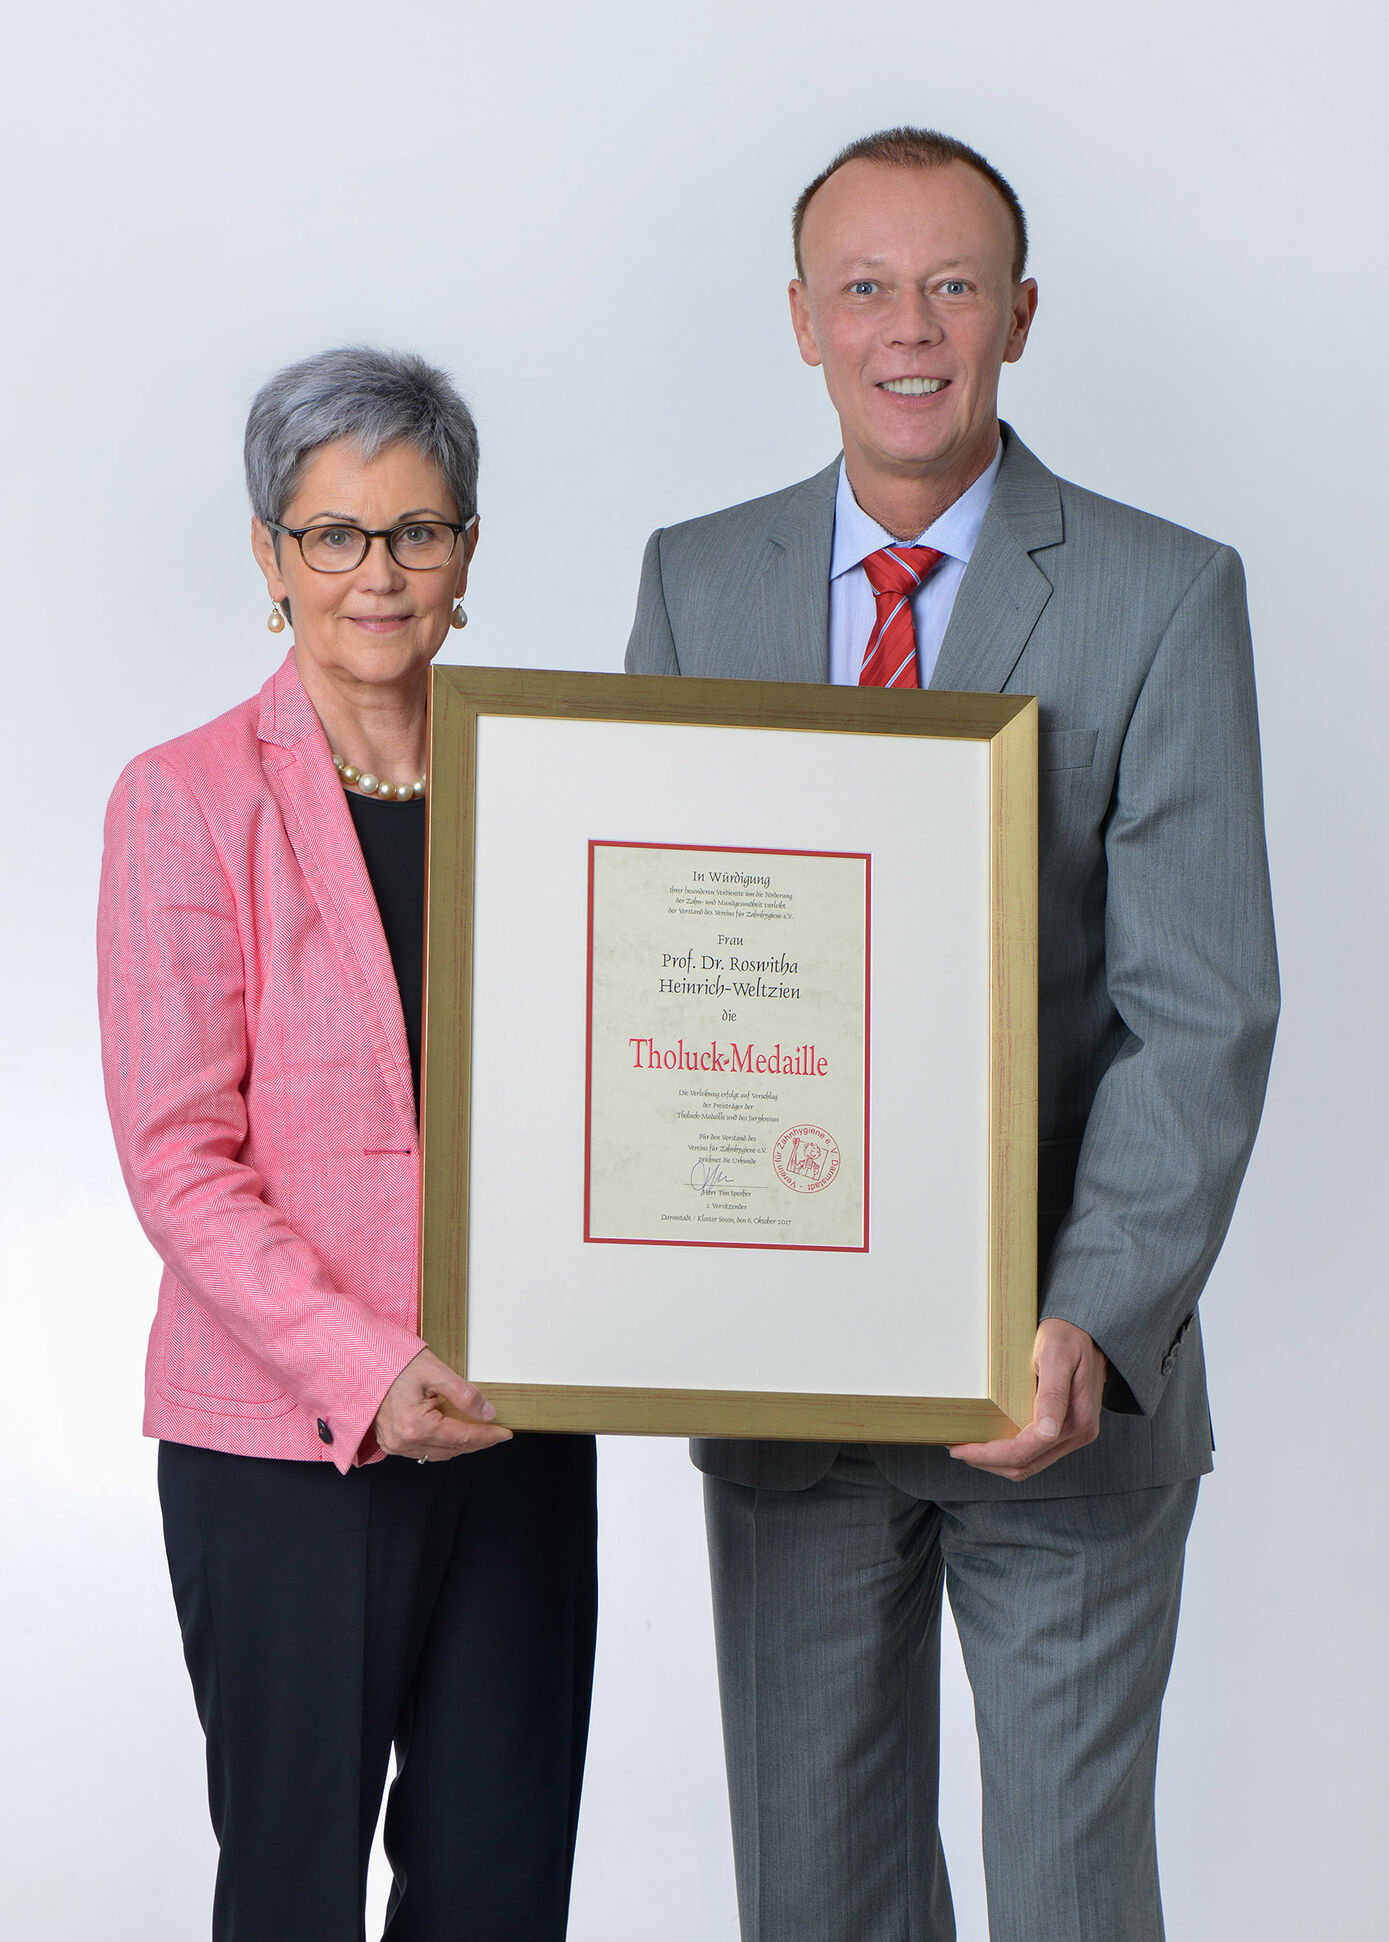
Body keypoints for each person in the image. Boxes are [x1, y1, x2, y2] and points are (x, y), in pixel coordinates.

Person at [625, 128, 1278, 1942]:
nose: (906, 327)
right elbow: (655, 978)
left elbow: (1201, 1006)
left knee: (1069, 1901)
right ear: (800, 321)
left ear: (1017, 315)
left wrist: (1092, 1317)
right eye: (862, 286)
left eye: (951, 285)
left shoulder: (1162, 593)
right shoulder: (697, 584)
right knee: (816, 1905)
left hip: (1051, 1386)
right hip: (784, 1393)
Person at [98, 345, 597, 1942]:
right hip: (284, 1446)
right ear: (270, 555)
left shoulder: (558, 784)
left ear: (468, 550)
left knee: (498, 1883)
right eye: (333, 533)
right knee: (295, 1887)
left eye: (417, 531)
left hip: (519, 1418)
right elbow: (178, 1155)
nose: (376, 574)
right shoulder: (181, 801)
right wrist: (361, 1362)